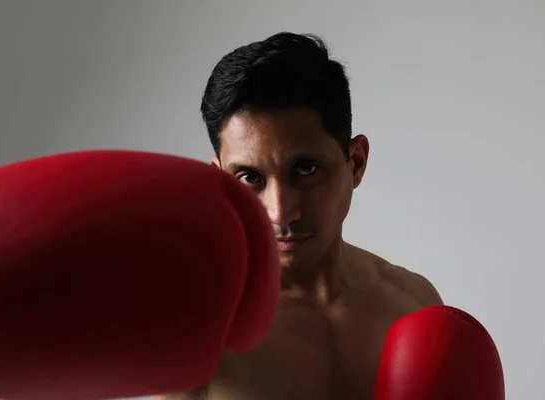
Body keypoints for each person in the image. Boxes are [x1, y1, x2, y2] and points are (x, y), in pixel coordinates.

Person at [156, 31, 444, 400]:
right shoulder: (198, 334)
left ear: (355, 163)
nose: (280, 212)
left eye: (305, 169)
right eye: (249, 178)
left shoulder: (413, 304)